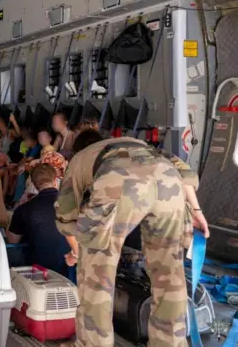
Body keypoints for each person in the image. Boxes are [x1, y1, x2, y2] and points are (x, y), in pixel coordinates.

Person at [55, 129, 210, 347]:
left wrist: (76, 253)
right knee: (169, 273)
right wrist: (196, 210)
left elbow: (66, 217)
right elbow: (182, 172)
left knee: (96, 277)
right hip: (168, 182)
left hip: (119, 180)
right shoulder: (137, 143)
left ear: (78, 149)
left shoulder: (80, 159)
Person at [6, 164, 70, 277]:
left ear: (33, 184)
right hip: (69, 267)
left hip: (38, 270)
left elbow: (12, 241)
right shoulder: (72, 204)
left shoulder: (24, 209)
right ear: (55, 180)